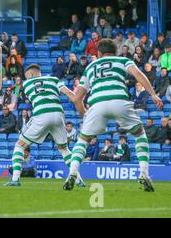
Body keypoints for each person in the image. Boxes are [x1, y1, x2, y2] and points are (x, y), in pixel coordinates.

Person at [64, 38, 163, 191]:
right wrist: (153, 95)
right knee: (139, 134)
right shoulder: (122, 60)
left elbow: (77, 98)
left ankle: (73, 172)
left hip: (97, 104)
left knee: (83, 140)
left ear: (99, 53)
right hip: (119, 101)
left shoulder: (90, 66)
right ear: (115, 51)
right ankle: (144, 173)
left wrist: (85, 113)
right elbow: (139, 75)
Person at [5, 64, 85, 187]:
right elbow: (70, 94)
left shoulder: (26, 84)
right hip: (59, 114)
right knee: (64, 149)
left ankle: (15, 179)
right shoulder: (54, 79)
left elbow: (18, 97)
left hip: (41, 114)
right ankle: (79, 180)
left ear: (31, 75)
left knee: (20, 146)